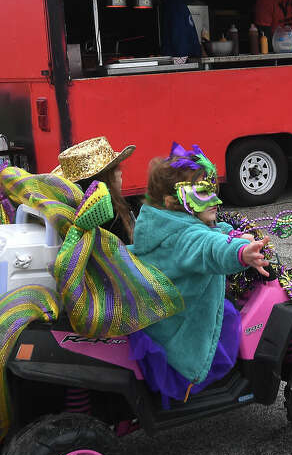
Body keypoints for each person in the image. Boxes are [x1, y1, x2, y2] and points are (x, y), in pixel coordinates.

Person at [126, 144, 270, 400]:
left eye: (212, 190)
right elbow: (208, 247)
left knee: (225, 309)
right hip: (181, 329)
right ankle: (204, 378)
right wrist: (241, 252)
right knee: (227, 319)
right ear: (173, 202)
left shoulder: (164, 224)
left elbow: (210, 235)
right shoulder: (186, 238)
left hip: (165, 312)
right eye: (203, 193)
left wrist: (234, 235)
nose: (215, 200)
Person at [51, 136, 138, 244]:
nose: (121, 173)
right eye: (117, 168)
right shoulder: (110, 213)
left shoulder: (73, 210)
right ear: (106, 176)